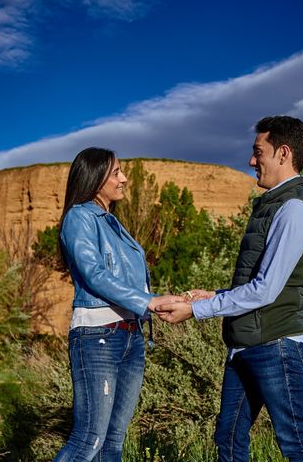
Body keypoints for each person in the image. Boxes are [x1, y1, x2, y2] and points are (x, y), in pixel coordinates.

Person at [157, 116, 303, 462]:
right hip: (247, 344)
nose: (251, 161)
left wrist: (196, 310)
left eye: (257, 152)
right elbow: (258, 282)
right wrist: (214, 295)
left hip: (276, 343)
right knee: (229, 439)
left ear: (282, 153)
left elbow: (265, 291)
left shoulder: (295, 209)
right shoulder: (272, 206)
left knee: (297, 444)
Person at [53, 147, 184, 462]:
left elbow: (125, 278)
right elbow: (95, 274)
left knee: (112, 445)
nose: (124, 179)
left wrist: (163, 302)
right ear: (95, 178)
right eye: (116, 172)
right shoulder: (80, 216)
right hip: (98, 336)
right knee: (89, 440)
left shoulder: (112, 222)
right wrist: (149, 302)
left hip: (130, 335)